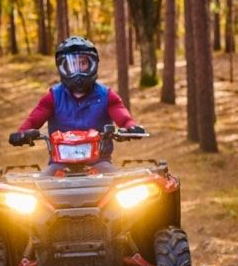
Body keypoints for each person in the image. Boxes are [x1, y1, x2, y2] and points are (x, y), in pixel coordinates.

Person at [9, 36, 144, 175]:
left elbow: (123, 117)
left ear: (92, 65)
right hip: (59, 165)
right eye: (72, 65)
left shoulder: (106, 95)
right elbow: (33, 120)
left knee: (120, 188)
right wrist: (21, 133)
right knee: (38, 192)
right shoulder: (52, 96)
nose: (77, 70)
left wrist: (131, 127)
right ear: (63, 68)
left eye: (83, 63)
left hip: (99, 163)